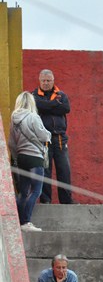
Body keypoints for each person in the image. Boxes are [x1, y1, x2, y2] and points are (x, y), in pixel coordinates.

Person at [9, 91, 50, 232]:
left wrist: (16, 157)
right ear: (31, 102)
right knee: (36, 190)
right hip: (34, 157)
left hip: (21, 157)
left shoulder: (14, 119)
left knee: (23, 192)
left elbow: (11, 143)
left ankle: (20, 222)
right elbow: (43, 135)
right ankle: (26, 221)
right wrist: (49, 134)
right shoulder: (33, 117)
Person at [33, 69, 73, 204]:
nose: (46, 83)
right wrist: (55, 104)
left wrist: (46, 107)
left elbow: (66, 108)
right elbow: (38, 106)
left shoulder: (61, 95)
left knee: (64, 170)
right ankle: (46, 201)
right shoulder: (34, 95)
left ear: (53, 81)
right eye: (43, 80)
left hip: (60, 138)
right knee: (45, 171)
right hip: (43, 140)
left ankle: (66, 201)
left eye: (48, 80)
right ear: (39, 81)